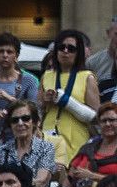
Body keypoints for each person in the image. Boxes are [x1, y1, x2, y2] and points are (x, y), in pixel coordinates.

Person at [39, 29, 98, 161]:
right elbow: (38, 110)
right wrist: (45, 101)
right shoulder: (47, 76)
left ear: (79, 53)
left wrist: (68, 102)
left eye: (71, 49)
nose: (65, 51)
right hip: (49, 134)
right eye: (61, 47)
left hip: (76, 137)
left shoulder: (87, 77)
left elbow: (95, 117)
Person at [0, 101, 56, 187]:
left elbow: (41, 181)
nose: (20, 123)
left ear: (35, 122)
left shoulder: (46, 148)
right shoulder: (1, 150)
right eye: (15, 120)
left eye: (25, 118)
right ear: (10, 125)